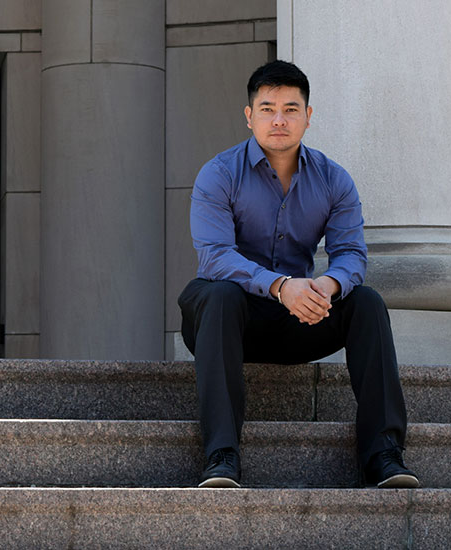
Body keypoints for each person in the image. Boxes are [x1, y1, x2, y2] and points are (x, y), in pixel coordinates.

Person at [178, 60, 419, 489]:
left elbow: (351, 256)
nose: (279, 120)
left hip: (300, 320)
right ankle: (221, 455)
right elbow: (214, 255)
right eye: (267, 108)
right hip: (230, 320)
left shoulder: (334, 179)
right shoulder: (218, 174)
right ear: (248, 115)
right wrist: (279, 285)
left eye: (291, 109)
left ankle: (383, 454)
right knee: (217, 294)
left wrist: (326, 286)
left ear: (308, 117)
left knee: (366, 302)